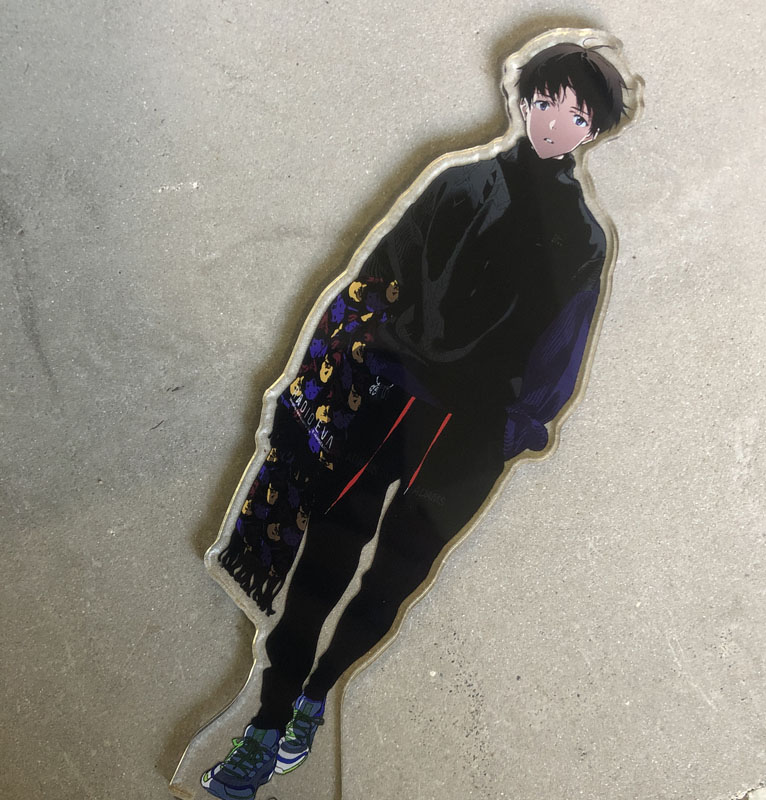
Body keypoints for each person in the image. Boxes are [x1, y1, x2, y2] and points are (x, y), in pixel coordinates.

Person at [202, 39, 632, 800]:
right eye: (544, 102)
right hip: (391, 398)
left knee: (395, 579)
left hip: (474, 432)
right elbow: (376, 279)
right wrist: (356, 363)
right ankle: (263, 725)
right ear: (522, 100)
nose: (553, 123)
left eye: (575, 115)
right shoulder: (459, 183)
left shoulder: (586, 238)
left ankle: (314, 697)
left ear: (592, 129)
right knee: (325, 559)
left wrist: (512, 430)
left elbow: (560, 358)